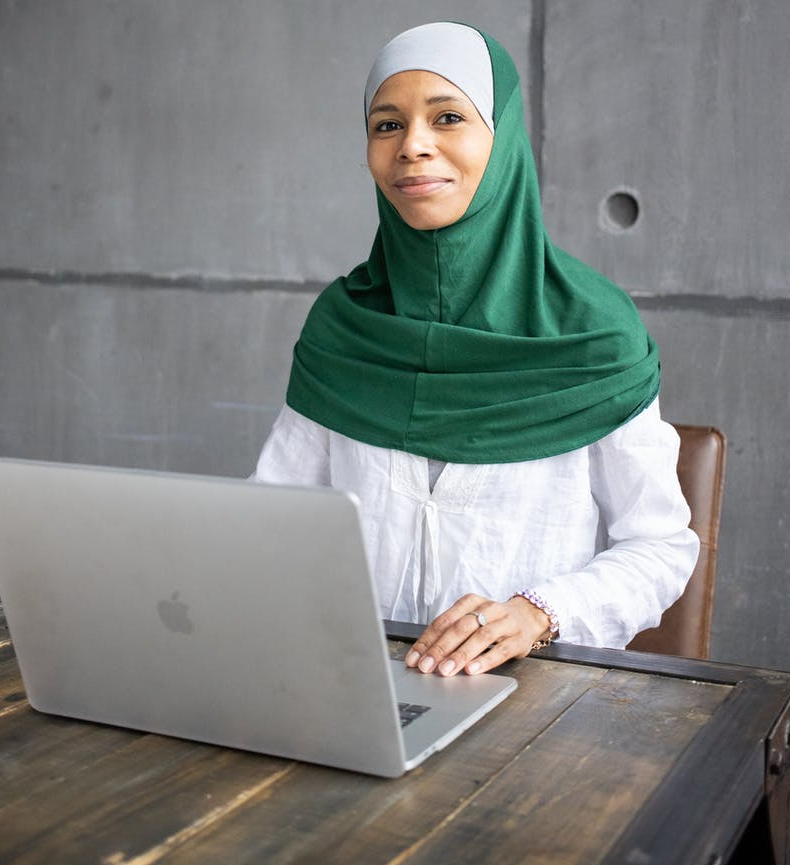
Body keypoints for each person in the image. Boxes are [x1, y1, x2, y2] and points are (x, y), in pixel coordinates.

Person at [252, 22, 698, 677]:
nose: (413, 147)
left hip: (532, 708)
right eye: (386, 125)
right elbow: (272, 524)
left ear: (503, 135)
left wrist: (537, 613)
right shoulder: (344, 325)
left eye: (448, 117)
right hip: (353, 688)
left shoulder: (593, 331)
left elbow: (659, 546)